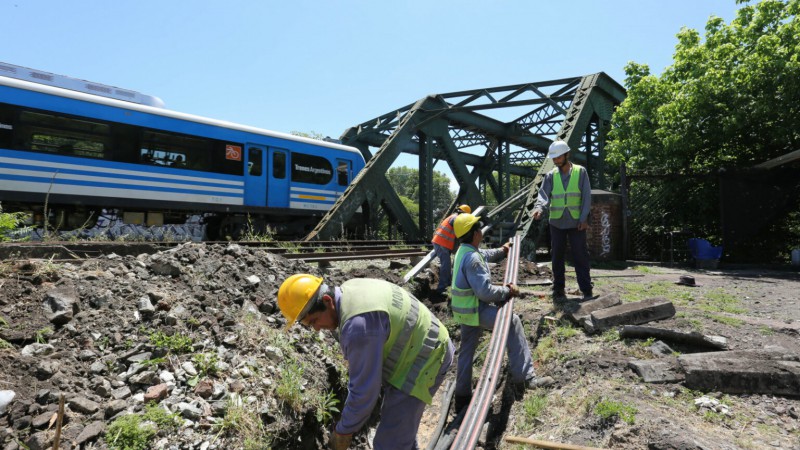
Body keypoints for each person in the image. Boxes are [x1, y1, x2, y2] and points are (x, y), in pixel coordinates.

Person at [277, 274, 454, 450]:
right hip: (422, 342)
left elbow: (364, 392)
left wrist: (342, 431)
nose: (316, 329)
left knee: (388, 444)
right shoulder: (350, 288)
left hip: (426, 358)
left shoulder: (357, 327)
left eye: (315, 320)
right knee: (399, 434)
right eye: (309, 325)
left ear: (327, 300)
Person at [450, 213, 553, 412]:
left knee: (466, 350)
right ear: (474, 234)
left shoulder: (463, 251)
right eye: (479, 228)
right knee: (512, 321)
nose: (481, 231)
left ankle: (462, 397)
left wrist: (502, 250)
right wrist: (508, 291)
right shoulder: (473, 259)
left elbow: (483, 255)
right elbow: (485, 292)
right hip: (476, 309)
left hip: (464, 311)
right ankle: (526, 378)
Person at [532, 140, 594, 300]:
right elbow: (543, 196)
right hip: (557, 222)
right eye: (554, 158)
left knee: (580, 255)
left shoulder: (581, 172)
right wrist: (539, 208)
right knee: (556, 256)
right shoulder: (550, 175)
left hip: (576, 222)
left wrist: (584, 217)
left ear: (567, 154)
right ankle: (559, 288)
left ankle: (586, 290)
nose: (556, 160)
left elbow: (586, 196)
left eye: (558, 157)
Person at [430, 204, 471, 296]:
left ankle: (447, 284)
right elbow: (458, 230)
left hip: (442, 243)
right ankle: (441, 288)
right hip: (441, 243)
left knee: (448, 265)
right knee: (446, 266)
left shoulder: (453, 217)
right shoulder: (455, 218)